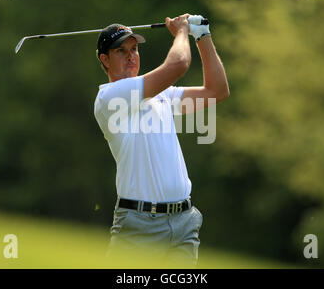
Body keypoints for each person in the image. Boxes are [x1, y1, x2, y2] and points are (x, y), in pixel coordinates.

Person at [93, 13, 229, 267]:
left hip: (184, 222)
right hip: (139, 225)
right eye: (121, 51)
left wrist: (202, 36)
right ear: (105, 59)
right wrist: (180, 32)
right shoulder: (109, 98)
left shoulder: (162, 95)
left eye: (134, 49)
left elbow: (217, 90)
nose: (131, 56)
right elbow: (178, 65)